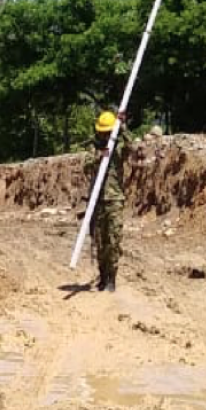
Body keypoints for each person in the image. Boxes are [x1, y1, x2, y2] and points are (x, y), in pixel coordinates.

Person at [90, 110, 128, 292]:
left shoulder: (119, 147)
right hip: (97, 201)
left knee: (114, 240)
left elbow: (134, 150)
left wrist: (123, 128)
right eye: (102, 132)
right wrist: (99, 156)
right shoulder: (94, 148)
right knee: (100, 241)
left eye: (107, 132)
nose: (104, 135)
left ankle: (112, 278)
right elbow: (86, 166)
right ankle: (103, 276)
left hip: (114, 200)